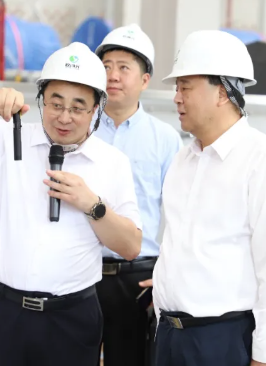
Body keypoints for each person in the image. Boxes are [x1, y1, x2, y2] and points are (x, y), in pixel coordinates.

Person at [0, 42, 143, 366]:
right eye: (56, 103)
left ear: (96, 109)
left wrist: (92, 205)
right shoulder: (7, 137)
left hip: (71, 318)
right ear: (41, 99)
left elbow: (130, 246)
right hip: (1, 312)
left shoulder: (112, 162)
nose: (64, 117)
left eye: (78, 108)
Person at [148, 30, 266, 366]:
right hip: (170, 336)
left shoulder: (265, 160)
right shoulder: (183, 160)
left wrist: (264, 354)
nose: (177, 98)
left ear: (222, 92)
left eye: (185, 87)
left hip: (224, 340)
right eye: (177, 88)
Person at [94, 24, 182, 366]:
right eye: (106, 66)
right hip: (80, 267)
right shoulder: (79, 129)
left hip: (137, 277)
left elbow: (181, 214)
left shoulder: (165, 138)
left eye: (123, 67)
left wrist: (168, 274)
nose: (113, 75)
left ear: (145, 80)